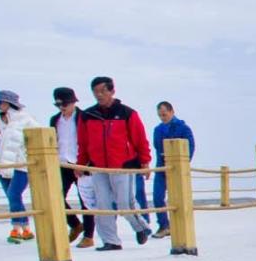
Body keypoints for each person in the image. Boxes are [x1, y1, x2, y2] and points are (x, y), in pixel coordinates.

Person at [76, 75, 151, 250]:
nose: (99, 95)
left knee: (125, 203)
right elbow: (83, 143)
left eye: (103, 91)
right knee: (102, 205)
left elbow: (140, 139)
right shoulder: (87, 115)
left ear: (112, 91)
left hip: (123, 165)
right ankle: (111, 241)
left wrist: (145, 162)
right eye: (95, 91)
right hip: (98, 166)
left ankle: (141, 227)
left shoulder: (127, 113)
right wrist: (81, 164)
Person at [0, 89, 41, 242]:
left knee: (13, 194)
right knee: (11, 196)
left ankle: (17, 228)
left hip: (20, 164)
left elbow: (39, 135)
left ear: (9, 103)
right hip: (1, 164)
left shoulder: (26, 119)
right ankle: (24, 229)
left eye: (1, 102)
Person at [51, 86, 94, 248]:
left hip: (82, 163)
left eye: (65, 104)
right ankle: (75, 224)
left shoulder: (84, 117)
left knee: (86, 200)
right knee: (55, 196)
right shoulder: (54, 120)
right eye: (59, 104)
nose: (62, 107)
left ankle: (89, 236)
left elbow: (90, 142)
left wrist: (84, 164)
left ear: (73, 102)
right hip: (63, 163)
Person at [151, 102, 194, 233]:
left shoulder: (183, 128)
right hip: (161, 168)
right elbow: (157, 148)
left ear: (171, 112)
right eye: (160, 115)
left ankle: (181, 227)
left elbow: (190, 147)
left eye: (164, 114)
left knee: (178, 198)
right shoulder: (158, 130)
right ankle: (164, 225)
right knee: (157, 197)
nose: (162, 117)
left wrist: (183, 165)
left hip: (178, 169)